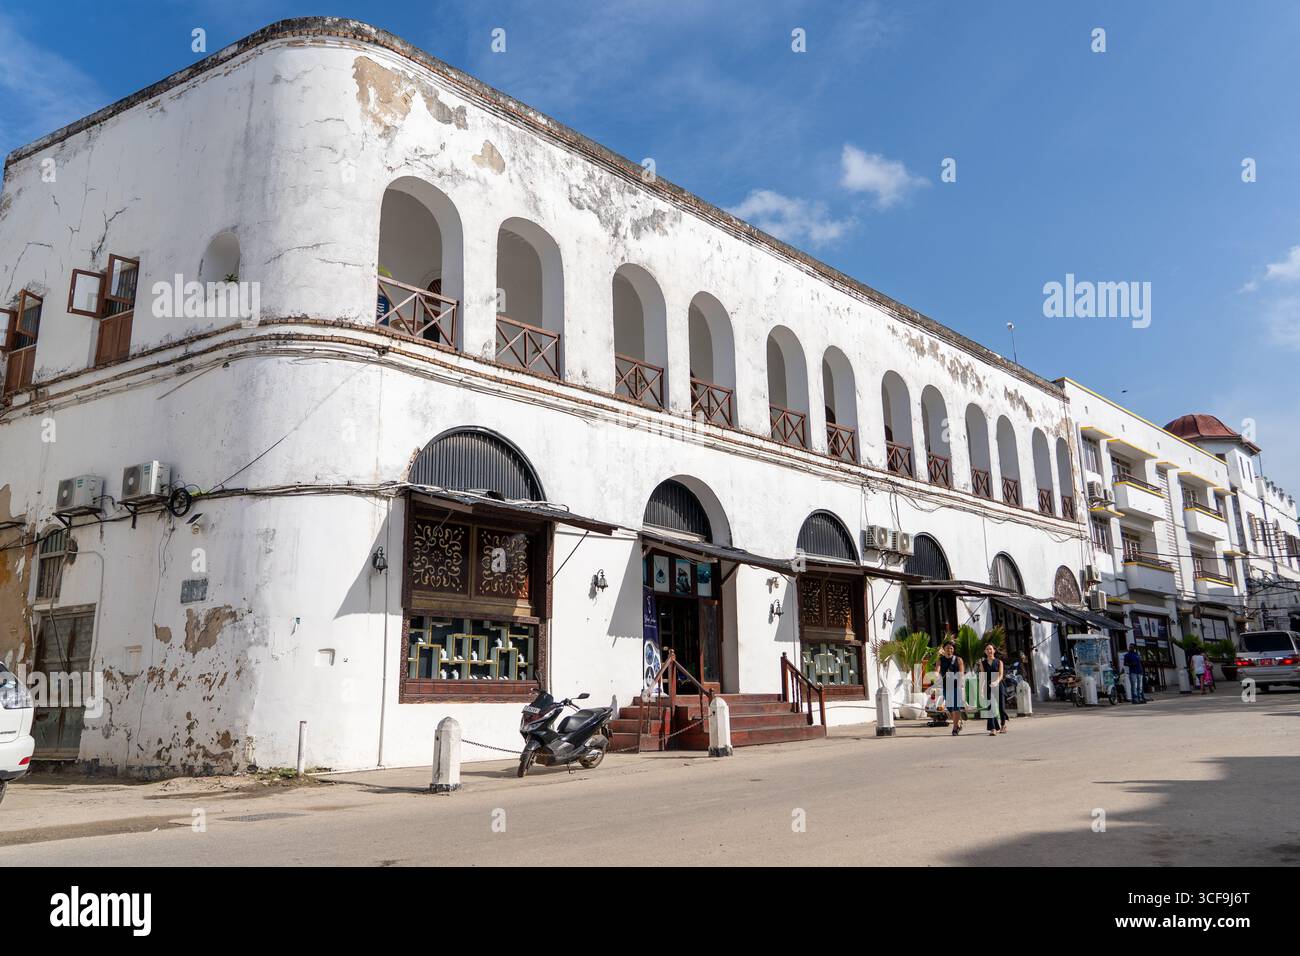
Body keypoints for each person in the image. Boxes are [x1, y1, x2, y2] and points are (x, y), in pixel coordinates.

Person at [938, 639, 965, 735]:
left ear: (953, 650)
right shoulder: (940, 659)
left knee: (956, 707)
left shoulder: (958, 659)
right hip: (946, 686)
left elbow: (961, 673)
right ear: (944, 649)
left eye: (951, 648)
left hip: (956, 685)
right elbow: (937, 670)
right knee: (949, 707)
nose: (949, 650)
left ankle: (954, 728)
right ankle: (957, 723)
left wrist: (960, 684)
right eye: (947, 648)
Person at [979, 643, 1004, 736]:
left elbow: (1001, 674)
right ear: (985, 652)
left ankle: (1003, 725)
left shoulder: (999, 662)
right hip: (988, 687)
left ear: (994, 650)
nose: (989, 651)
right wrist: (981, 689)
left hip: (999, 685)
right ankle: (993, 728)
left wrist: (997, 682)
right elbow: (982, 677)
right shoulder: (983, 663)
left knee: (1001, 707)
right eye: (987, 649)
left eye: (990, 649)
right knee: (990, 707)